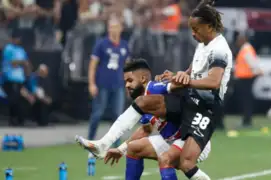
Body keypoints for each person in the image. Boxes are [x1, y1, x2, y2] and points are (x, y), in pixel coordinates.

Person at [75, 0, 232, 179]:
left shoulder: (220, 48)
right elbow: (192, 70)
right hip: (188, 103)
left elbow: (214, 81)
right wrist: (179, 74)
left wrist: (183, 81)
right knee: (137, 139)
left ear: (210, 26)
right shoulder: (203, 45)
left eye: (196, 29)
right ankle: (104, 143)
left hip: (204, 110)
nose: (193, 34)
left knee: (184, 163)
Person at [101, 59, 211, 180]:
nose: (127, 85)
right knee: (133, 148)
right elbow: (145, 130)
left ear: (143, 79)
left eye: (130, 81)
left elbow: (181, 84)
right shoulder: (142, 102)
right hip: (171, 140)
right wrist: (121, 149)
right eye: (125, 82)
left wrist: (178, 75)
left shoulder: (155, 88)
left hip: (191, 139)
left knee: (167, 160)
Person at [87, 16, 129, 151]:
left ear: (121, 29)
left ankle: (116, 142)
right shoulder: (101, 44)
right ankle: (91, 138)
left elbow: (127, 67)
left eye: (115, 27)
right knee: (98, 113)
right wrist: (91, 84)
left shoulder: (124, 46)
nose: (113, 30)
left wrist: (129, 83)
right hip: (102, 84)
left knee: (118, 115)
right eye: (110, 27)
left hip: (118, 85)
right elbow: (93, 65)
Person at [2, 28, 31, 126]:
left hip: (20, 79)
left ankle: (20, 120)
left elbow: (26, 62)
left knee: (20, 100)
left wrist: (27, 71)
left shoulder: (21, 50)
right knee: (13, 99)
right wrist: (22, 63)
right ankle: (12, 119)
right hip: (10, 78)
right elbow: (11, 62)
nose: (18, 40)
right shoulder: (8, 48)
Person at [234, 32, 263, 127]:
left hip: (246, 79)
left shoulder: (246, 49)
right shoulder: (245, 48)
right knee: (246, 100)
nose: (237, 41)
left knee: (246, 100)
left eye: (239, 39)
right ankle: (246, 119)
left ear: (243, 39)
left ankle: (247, 120)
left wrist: (257, 72)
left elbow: (252, 63)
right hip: (244, 78)